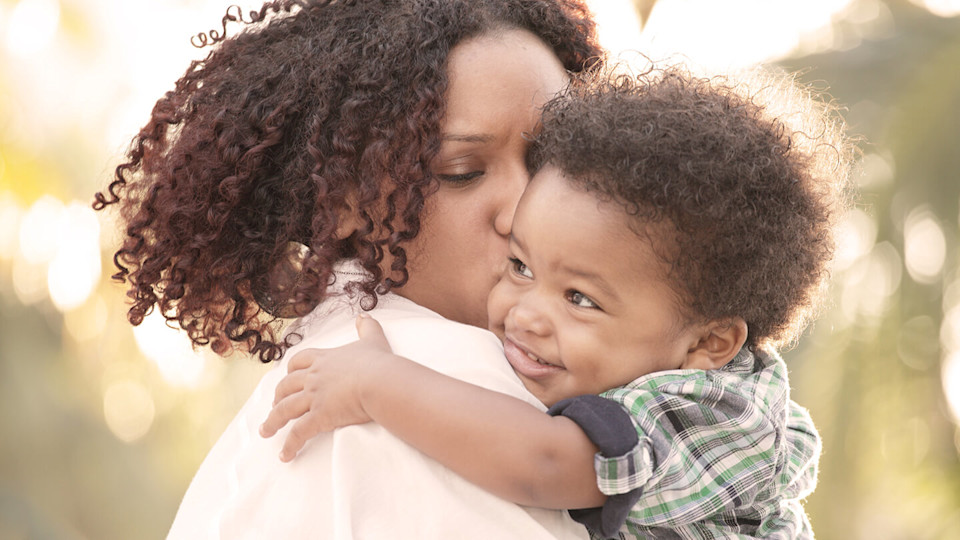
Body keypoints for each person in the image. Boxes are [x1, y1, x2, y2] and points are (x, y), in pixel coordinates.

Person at [261, 65, 853, 538]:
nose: (525, 314)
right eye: (520, 267)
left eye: (579, 299)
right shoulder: (643, 363)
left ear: (708, 343)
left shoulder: (707, 412)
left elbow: (544, 463)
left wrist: (379, 384)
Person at [94, 0, 605, 538]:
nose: (528, 204)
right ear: (340, 202)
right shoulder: (435, 382)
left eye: (553, 157)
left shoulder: (337, 373)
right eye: (463, 171)